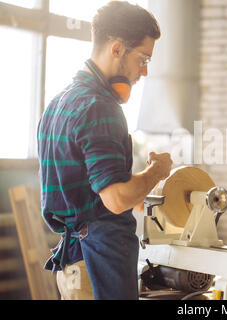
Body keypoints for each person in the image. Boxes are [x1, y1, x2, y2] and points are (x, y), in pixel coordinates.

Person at [37, 1, 172, 300]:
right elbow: (115, 199)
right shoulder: (100, 107)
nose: (145, 71)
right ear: (116, 49)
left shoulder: (60, 102)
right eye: (143, 58)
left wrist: (137, 191)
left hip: (73, 265)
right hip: (95, 266)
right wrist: (157, 171)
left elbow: (93, 190)